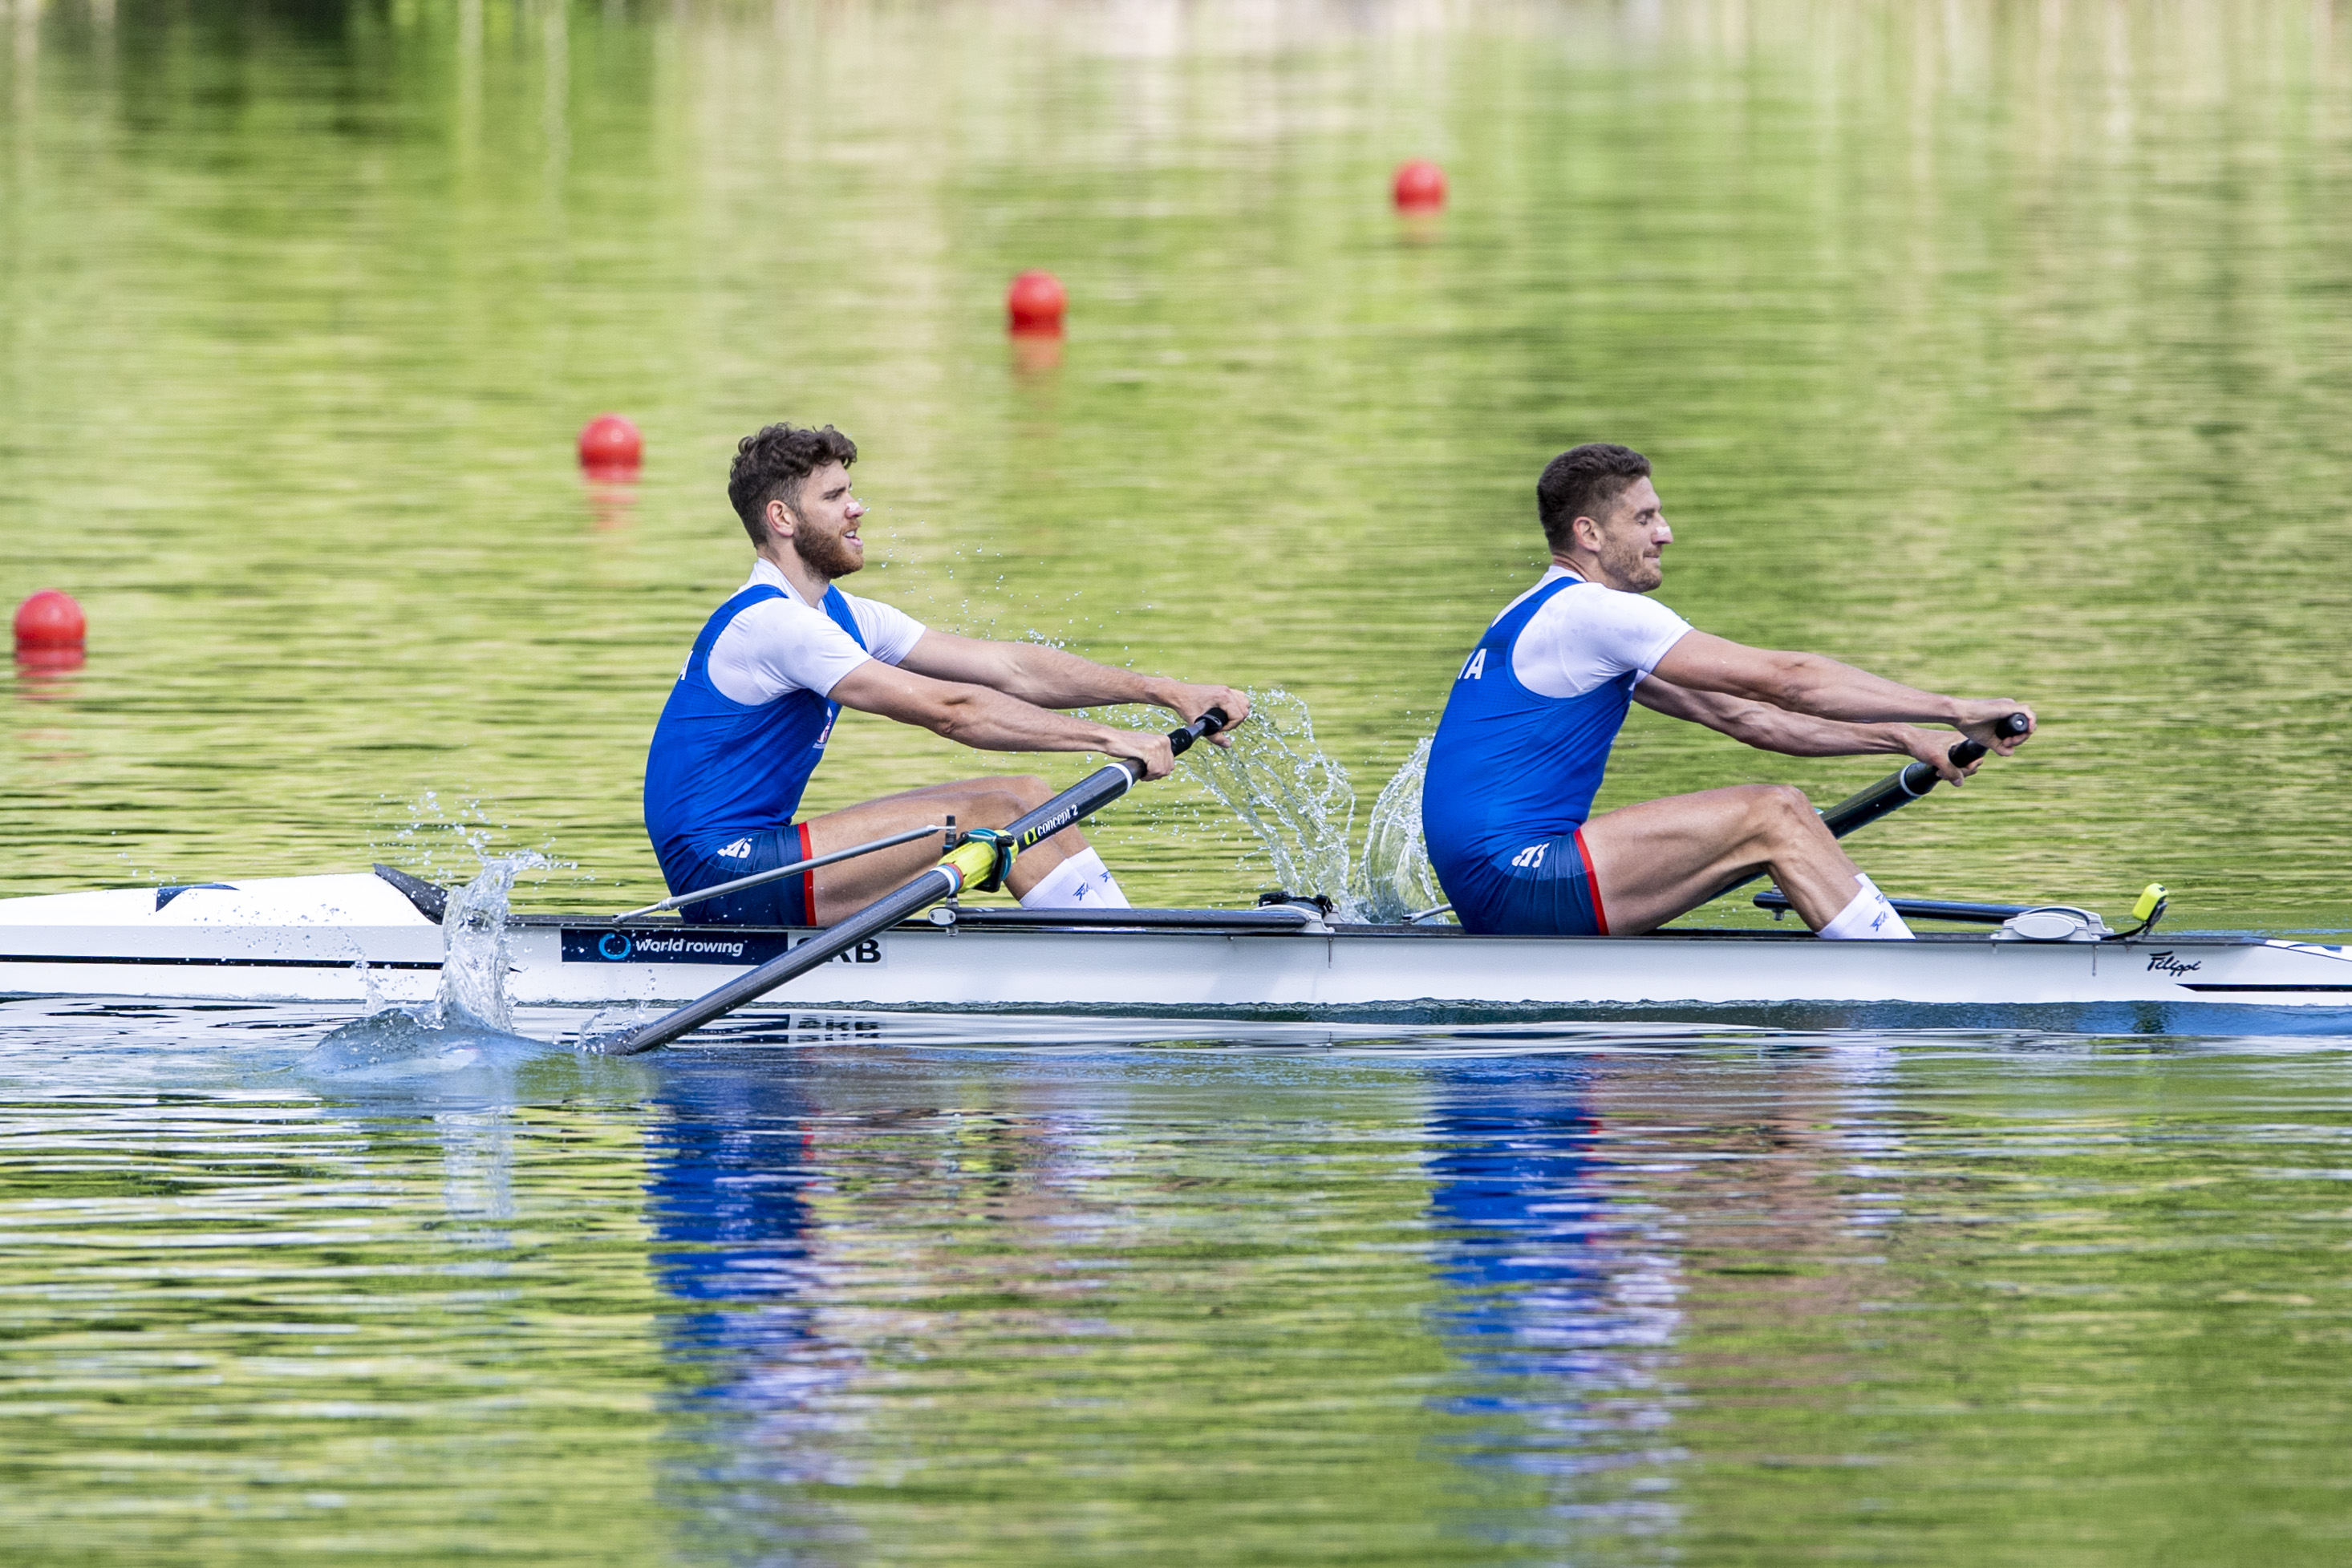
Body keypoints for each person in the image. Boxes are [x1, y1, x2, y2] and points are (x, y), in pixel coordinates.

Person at [1421, 443, 2034, 940]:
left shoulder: (1539, 612)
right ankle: (1903, 973)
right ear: (1589, 533)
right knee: (1776, 813)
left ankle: (1870, 954)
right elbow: (1791, 681)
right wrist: (1956, 708)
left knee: (1775, 815)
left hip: (1495, 883)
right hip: (1517, 878)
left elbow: (1750, 719)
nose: (1666, 533)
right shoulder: (1594, 614)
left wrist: (1901, 737)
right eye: (1644, 518)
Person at [644, 423, 1248, 925]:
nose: (858, 508)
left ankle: (1112, 936)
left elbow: (1008, 669)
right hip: (722, 872)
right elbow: (952, 710)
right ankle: (1116, 964)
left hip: (761, 855)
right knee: (996, 809)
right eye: (834, 497)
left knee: (1027, 795)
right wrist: (1108, 740)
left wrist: (1164, 692)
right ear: (782, 517)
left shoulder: (845, 616)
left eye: (851, 491)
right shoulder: (774, 627)